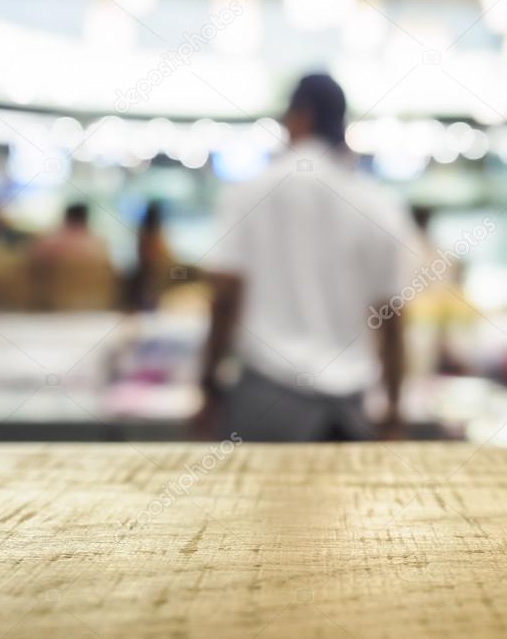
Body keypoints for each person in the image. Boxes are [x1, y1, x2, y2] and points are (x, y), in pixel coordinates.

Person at [197, 73, 416, 442]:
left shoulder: (248, 193)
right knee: (345, 501)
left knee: (257, 500)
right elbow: (391, 316)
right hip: (347, 409)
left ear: (299, 117)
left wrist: (208, 386)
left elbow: (225, 296)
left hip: (265, 398)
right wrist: (394, 408)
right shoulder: (377, 205)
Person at [29, 203, 116, 311]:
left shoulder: (51, 242)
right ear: (86, 219)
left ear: (66, 217)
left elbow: (33, 265)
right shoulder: (99, 243)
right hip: (98, 301)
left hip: (56, 301)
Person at [128, 200, 175, 311]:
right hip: (156, 280)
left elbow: (145, 259)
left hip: (152, 281)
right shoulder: (159, 235)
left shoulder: (146, 236)